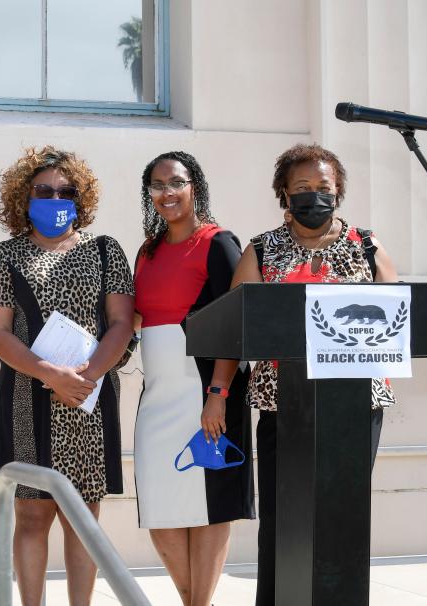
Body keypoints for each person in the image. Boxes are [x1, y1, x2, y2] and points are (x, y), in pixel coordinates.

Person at [229, 143, 398, 606]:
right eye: (302, 187)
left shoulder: (367, 245)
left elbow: (399, 314)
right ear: (284, 192)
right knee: (287, 516)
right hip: (287, 405)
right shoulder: (262, 249)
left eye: (323, 186)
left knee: (341, 514)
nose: (313, 195)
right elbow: (237, 321)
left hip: (356, 404)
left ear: (338, 189)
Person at [0, 146, 135, 606]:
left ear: (80, 197)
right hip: (27, 399)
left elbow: (122, 323)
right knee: (29, 515)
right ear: (23, 197)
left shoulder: (105, 251)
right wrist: (51, 375)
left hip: (89, 398)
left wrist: (84, 377)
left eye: (65, 190)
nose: (54, 197)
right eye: (43, 190)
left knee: (83, 518)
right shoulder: (4, 256)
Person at [132, 151, 254, 606]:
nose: (167, 192)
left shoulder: (218, 242)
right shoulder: (147, 250)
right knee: (161, 508)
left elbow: (232, 324)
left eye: (176, 182)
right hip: (158, 392)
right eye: (158, 185)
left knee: (210, 503)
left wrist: (218, 394)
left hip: (206, 390)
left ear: (193, 187)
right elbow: (138, 317)